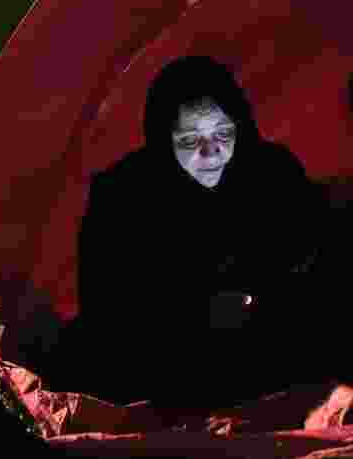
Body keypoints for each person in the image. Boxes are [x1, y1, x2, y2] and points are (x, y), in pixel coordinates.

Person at [48, 56, 334, 414]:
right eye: (189, 140)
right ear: (164, 138)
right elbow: (105, 303)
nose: (210, 153)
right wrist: (194, 314)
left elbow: (314, 262)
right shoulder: (123, 193)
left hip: (260, 349)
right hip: (159, 358)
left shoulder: (273, 173)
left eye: (222, 135)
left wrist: (258, 301)